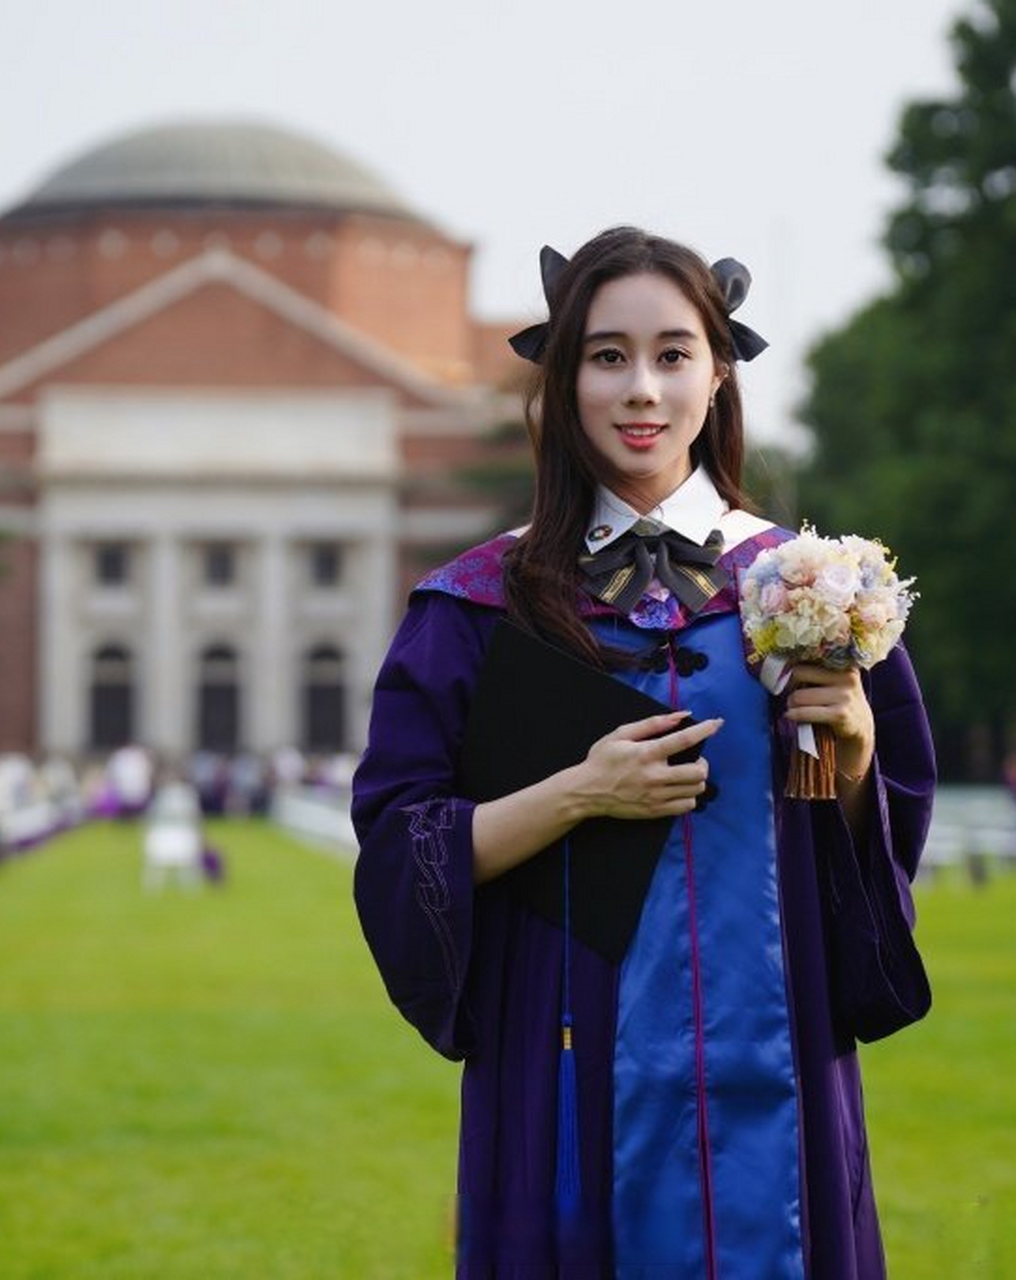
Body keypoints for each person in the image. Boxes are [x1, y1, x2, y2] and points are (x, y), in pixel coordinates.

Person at [352, 228, 935, 1277]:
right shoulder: (478, 610)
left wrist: (852, 747)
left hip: (774, 1057)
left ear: (718, 373)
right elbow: (399, 851)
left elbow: (877, 844)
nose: (641, 389)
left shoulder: (808, 589)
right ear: (563, 376)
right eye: (606, 355)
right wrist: (577, 792)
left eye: (672, 353)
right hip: (567, 1055)